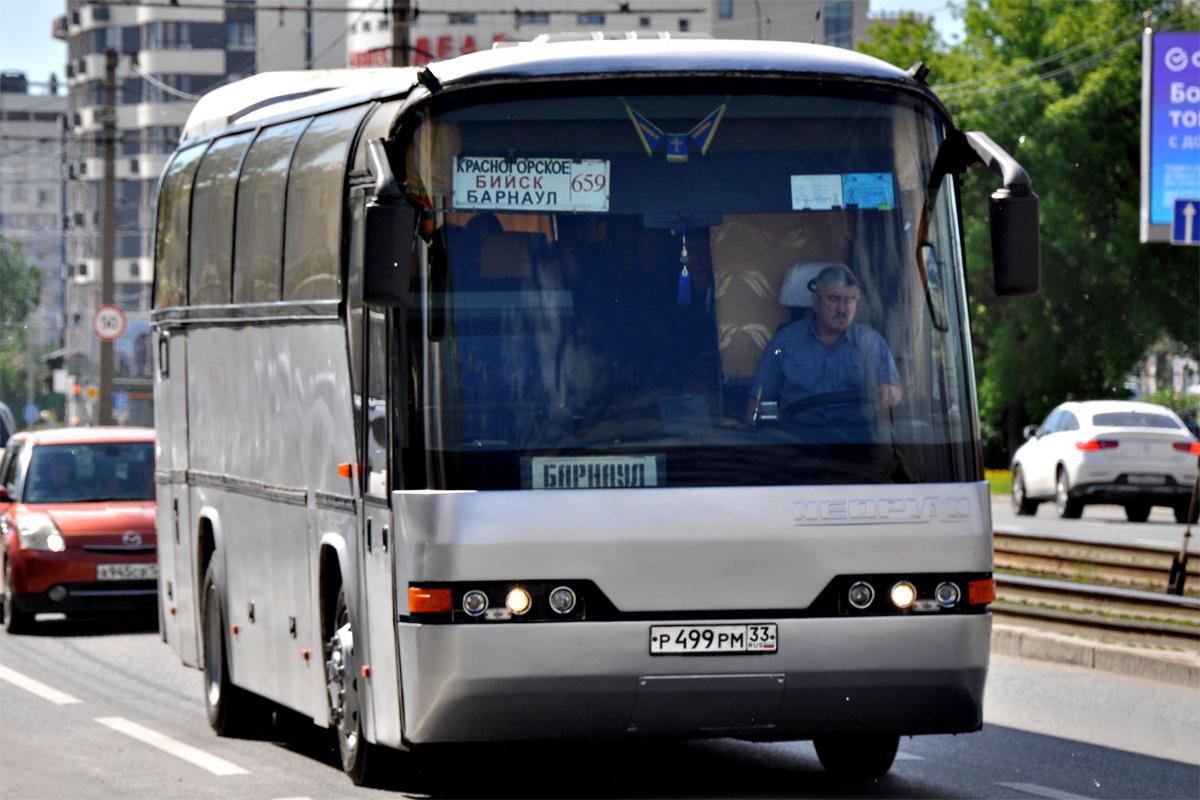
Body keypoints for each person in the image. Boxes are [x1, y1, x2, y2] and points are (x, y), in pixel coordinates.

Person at [745, 264, 901, 427]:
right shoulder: (784, 343)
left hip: (857, 439)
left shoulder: (872, 343)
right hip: (798, 438)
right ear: (816, 301)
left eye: (849, 300)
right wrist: (780, 416)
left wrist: (891, 391)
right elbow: (756, 408)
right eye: (833, 299)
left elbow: (894, 389)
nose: (842, 308)